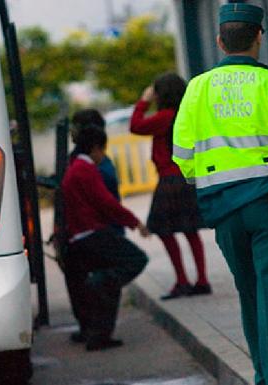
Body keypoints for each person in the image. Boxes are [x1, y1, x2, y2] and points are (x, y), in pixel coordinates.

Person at [172, 4, 268, 385]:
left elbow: (182, 156)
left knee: (249, 294)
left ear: (219, 40)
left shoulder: (196, 89)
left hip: (222, 207)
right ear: (259, 37)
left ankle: (264, 377)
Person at [61, 125, 149, 351]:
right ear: (95, 148)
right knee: (135, 261)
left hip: (79, 237)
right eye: (102, 150)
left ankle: (98, 334)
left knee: (109, 282)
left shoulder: (74, 168)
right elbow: (106, 202)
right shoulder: (85, 170)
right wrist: (135, 222)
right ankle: (100, 284)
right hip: (93, 233)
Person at [130, 73, 211, 300]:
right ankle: (202, 280)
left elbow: (135, 126)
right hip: (188, 177)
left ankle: (182, 280)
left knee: (163, 230)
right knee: (190, 229)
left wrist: (143, 101)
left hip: (169, 179)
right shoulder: (188, 114)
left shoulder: (164, 117)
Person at [64, 109, 124, 344]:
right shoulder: (84, 160)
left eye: (75, 128)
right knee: (85, 284)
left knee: (101, 284)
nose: (71, 133)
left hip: (98, 233)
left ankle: (98, 332)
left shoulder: (96, 166)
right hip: (90, 232)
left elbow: (106, 205)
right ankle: (92, 329)